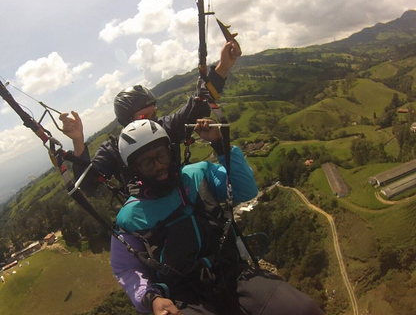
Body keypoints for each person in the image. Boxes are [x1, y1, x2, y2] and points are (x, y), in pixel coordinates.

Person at [110, 118, 325, 315]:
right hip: (184, 296)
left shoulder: (198, 174)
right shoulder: (129, 218)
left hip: (232, 273)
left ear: (170, 152)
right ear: (135, 170)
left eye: (161, 156)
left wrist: (220, 144)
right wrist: (152, 299)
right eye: (148, 163)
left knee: (303, 310)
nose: (159, 167)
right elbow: (126, 268)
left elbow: (245, 190)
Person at [59, 39, 241, 195]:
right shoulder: (114, 150)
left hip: (181, 197)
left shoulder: (165, 128)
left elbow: (199, 105)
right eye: (145, 115)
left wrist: (223, 67)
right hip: (147, 215)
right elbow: (88, 186)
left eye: (154, 113)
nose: (152, 120)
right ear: (128, 120)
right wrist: (79, 142)